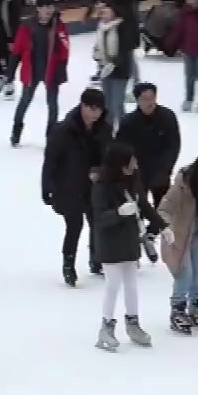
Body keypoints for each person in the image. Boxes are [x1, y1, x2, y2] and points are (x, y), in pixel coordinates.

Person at [44, 89, 113, 286]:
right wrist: (47, 186)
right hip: (69, 185)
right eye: (92, 108)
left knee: (97, 222)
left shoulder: (104, 129)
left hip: (95, 186)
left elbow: (109, 157)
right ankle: (68, 263)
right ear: (82, 106)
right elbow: (51, 160)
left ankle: (96, 258)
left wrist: (100, 171)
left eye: (99, 109)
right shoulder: (64, 130)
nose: (96, 113)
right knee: (74, 225)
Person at [93, 142, 153, 350]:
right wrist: (118, 213)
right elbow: (99, 218)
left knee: (131, 285)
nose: (135, 164)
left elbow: (144, 205)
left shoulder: (133, 181)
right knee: (113, 285)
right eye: (131, 161)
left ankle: (133, 323)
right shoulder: (102, 186)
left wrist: (163, 227)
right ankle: (106, 327)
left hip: (128, 241)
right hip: (110, 244)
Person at [159, 152, 198, 335]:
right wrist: (166, 228)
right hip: (179, 235)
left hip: (197, 234)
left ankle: (196, 305)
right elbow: (164, 209)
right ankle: (178, 308)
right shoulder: (182, 187)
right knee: (184, 271)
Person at [119, 82, 182, 259]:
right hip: (137, 173)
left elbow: (173, 145)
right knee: (137, 209)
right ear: (137, 100)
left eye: (152, 98)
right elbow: (121, 146)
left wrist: (166, 167)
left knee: (163, 208)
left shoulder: (167, 117)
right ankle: (135, 244)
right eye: (145, 99)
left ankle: (151, 234)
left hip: (161, 171)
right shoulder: (129, 122)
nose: (150, 102)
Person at [10, 0, 71, 146]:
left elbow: (65, 47)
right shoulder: (27, 26)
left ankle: (51, 136)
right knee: (25, 101)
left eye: (51, 6)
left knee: (52, 104)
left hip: (51, 71)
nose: (49, 10)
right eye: (45, 7)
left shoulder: (59, 25)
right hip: (32, 72)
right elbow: (17, 50)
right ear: (38, 8)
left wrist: (62, 67)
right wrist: (10, 71)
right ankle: (16, 130)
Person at [91, 0, 135, 129]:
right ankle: (108, 131)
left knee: (117, 104)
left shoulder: (121, 27)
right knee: (107, 105)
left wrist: (113, 63)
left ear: (114, 13)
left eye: (106, 12)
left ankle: (124, 130)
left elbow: (125, 49)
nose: (103, 15)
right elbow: (99, 46)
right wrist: (97, 56)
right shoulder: (101, 27)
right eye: (102, 13)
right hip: (105, 70)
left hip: (120, 71)